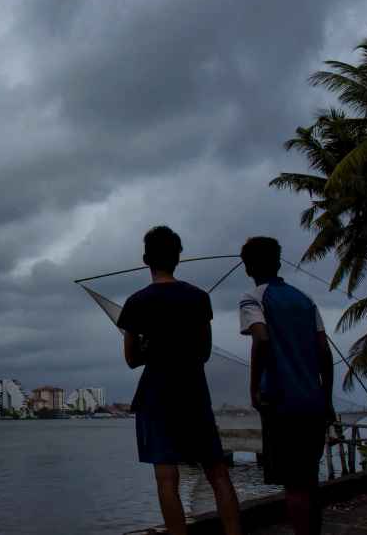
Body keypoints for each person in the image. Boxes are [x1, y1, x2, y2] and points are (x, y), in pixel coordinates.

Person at [118, 226, 243, 535]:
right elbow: (203, 352)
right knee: (218, 473)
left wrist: (152, 347)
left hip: (157, 394)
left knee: (166, 478)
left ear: (146, 259)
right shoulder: (199, 298)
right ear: (178, 258)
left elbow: (131, 359)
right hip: (193, 392)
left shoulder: (136, 302)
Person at [238, 236, 335, 535]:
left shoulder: (252, 298)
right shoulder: (305, 300)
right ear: (279, 262)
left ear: (247, 268)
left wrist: (254, 388)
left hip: (281, 404)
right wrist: (327, 398)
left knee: (293, 487)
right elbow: (324, 352)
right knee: (309, 482)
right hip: (314, 403)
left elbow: (262, 338)